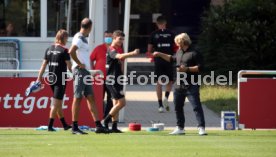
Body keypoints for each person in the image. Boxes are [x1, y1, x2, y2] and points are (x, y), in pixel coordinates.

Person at [153, 33, 207, 135]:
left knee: (196, 106)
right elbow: (171, 59)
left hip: (191, 84)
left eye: (178, 42)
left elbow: (201, 68)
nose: (177, 44)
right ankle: (180, 128)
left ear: (182, 42)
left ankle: (201, 128)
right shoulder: (179, 51)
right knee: (178, 107)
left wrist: (186, 69)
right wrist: (160, 54)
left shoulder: (195, 53)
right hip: (178, 85)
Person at [69, 18, 108, 134]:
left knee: (91, 97)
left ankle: (98, 126)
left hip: (85, 72)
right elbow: (71, 51)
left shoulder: (82, 38)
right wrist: (79, 64)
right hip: (80, 71)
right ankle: (74, 127)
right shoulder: (80, 38)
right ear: (90, 27)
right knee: (78, 98)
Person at [103, 30, 139, 133]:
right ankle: (104, 122)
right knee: (122, 103)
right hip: (112, 80)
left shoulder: (117, 49)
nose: (121, 41)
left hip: (117, 80)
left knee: (116, 103)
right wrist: (132, 53)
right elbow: (120, 57)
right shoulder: (111, 49)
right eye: (119, 39)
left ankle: (114, 127)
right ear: (114, 38)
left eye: (123, 39)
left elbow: (120, 62)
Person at [37, 29, 72, 131]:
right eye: (67, 38)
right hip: (60, 79)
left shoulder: (49, 49)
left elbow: (43, 65)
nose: (67, 40)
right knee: (56, 103)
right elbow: (70, 67)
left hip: (51, 78)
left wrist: (39, 78)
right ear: (64, 38)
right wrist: (77, 74)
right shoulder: (65, 50)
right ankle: (50, 126)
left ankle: (64, 125)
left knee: (58, 102)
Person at [147, 16, 176, 113]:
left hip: (158, 60)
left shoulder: (153, 34)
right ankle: (166, 98)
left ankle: (160, 105)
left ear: (157, 24)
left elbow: (149, 50)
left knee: (159, 82)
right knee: (170, 81)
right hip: (169, 59)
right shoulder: (172, 34)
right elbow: (176, 47)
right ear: (165, 23)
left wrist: (151, 56)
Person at [90, 30, 113, 120]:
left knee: (111, 98)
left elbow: (121, 61)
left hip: (111, 77)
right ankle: (99, 116)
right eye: (106, 36)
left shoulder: (116, 48)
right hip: (99, 78)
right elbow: (91, 59)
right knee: (99, 97)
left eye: (109, 36)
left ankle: (107, 116)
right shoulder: (98, 48)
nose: (108, 38)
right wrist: (93, 71)